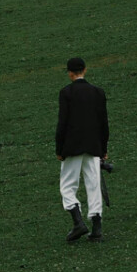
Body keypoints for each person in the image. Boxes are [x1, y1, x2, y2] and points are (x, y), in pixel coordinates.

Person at [55, 56, 109, 243]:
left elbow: (62, 123)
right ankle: (97, 228)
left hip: (72, 146)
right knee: (93, 185)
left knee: (68, 186)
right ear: (85, 70)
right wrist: (103, 149)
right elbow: (104, 124)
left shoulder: (66, 93)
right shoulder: (98, 93)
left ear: (70, 73)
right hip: (94, 146)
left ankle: (78, 222)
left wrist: (59, 148)